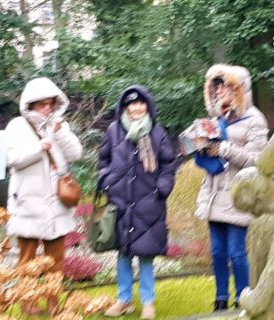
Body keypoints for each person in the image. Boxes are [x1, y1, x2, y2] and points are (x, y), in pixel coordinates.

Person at [4, 77, 83, 314]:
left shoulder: (60, 125)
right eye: (42, 104)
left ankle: (53, 303)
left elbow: (76, 154)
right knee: (27, 258)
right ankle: (27, 303)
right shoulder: (17, 126)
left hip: (56, 202)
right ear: (30, 104)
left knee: (56, 259)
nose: (47, 108)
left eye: (50, 103)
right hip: (28, 201)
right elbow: (12, 160)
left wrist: (60, 134)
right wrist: (40, 148)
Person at [98, 86, 179, 319]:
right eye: (132, 104)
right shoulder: (114, 131)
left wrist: (162, 189)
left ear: (147, 106)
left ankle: (148, 302)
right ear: (125, 107)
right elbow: (103, 159)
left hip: (149, 203)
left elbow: (167, 166)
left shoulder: (157, 133)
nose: (136, 107)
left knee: (145, 254)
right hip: (120, 202)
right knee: (123, 253)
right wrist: (106, 180)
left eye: (141, 103)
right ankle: (123, 299)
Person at [195, 64, 269, 312]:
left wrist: (224, 149)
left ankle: (243, 297)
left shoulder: (255, 120)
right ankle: (220, 298)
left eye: (226, 86)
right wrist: (201, 146)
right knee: (217, 252)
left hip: (239, 194)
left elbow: (258, 160)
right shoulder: (216, 120)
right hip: (215, 192)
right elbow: (212, 151)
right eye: (217, 87)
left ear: (241, 89)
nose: (220, 92)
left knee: (237, 252)